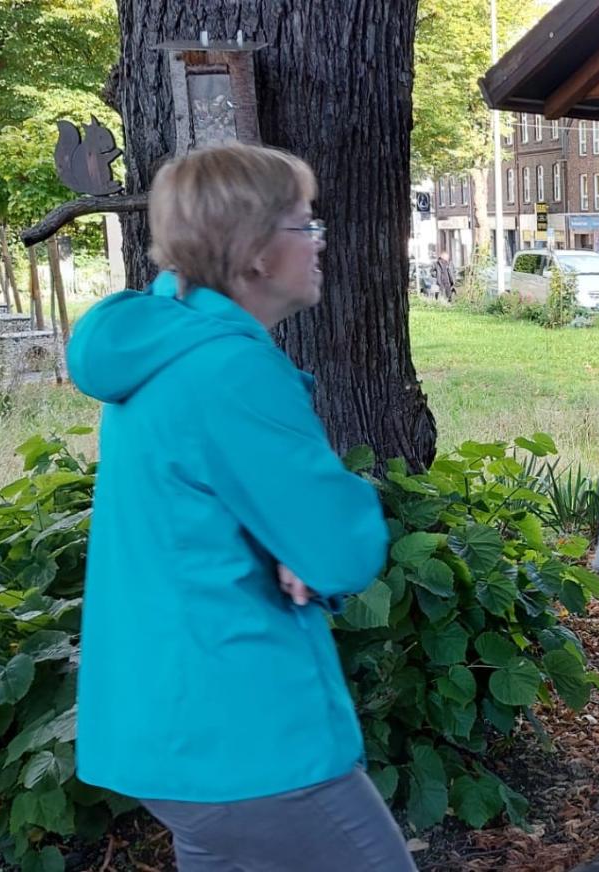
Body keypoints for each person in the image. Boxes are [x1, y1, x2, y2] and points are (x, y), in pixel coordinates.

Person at [67, 143, 415, 871]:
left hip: (175, 720)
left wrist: (290, 538)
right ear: (254, 251)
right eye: (302, 224)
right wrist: (308, 541)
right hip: (245, 729)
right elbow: (341, 547)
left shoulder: (161, 344)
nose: (318, 243)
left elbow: (223, 507)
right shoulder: (229, 366)